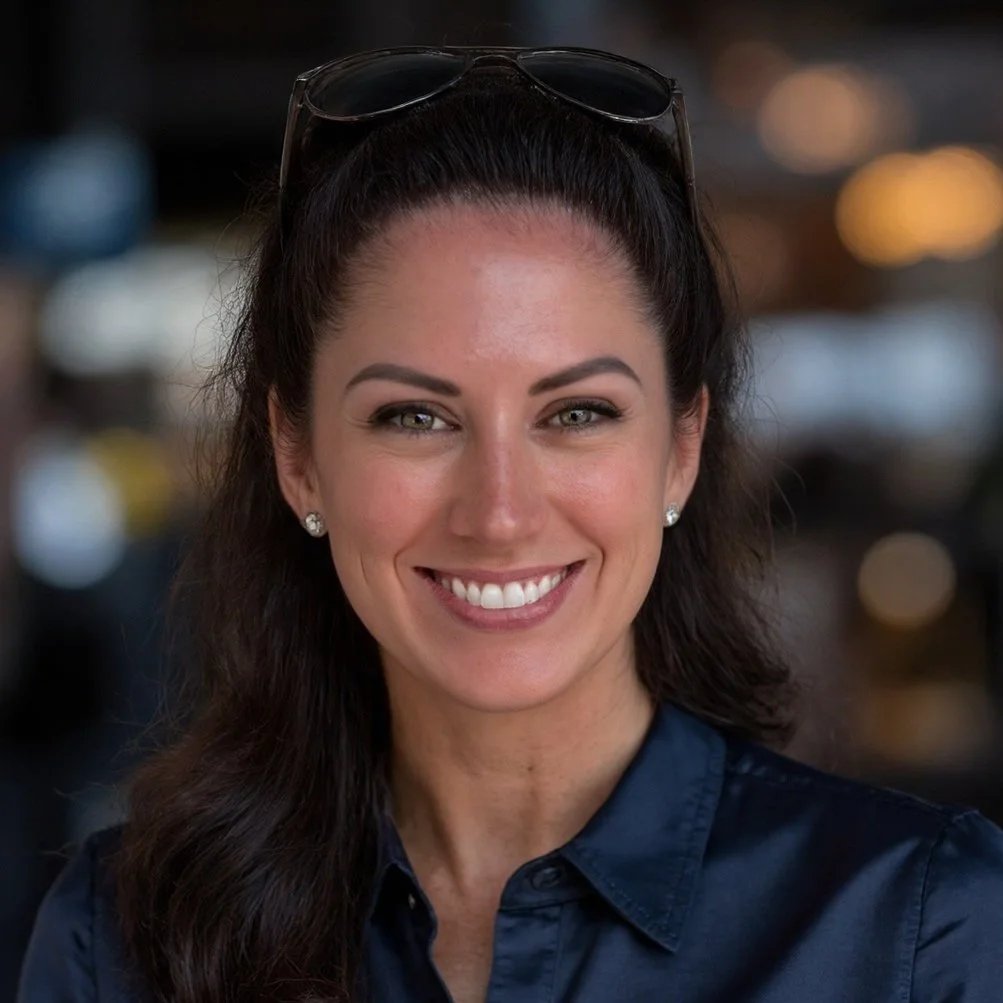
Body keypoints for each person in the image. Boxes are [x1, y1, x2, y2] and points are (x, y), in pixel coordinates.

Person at [17, 47, 1003, 1003]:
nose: (499, 512)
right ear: (298, 455)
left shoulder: (922, 930)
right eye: (415, 417)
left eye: (576, 413)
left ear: (681, 448)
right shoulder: (123, 942)